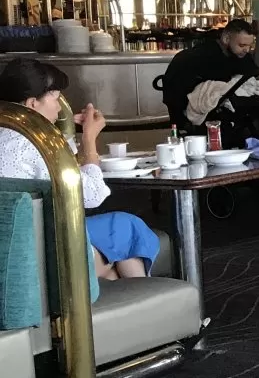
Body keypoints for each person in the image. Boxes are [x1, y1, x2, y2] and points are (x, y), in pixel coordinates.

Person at [0, 58, 158, 280]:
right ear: (33, 103)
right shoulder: (36, 144)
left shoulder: (8, 136)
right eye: (55, 98)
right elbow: (92, 196)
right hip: (38, 253)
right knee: (126, 226)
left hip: (12, 248)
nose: (59, 107)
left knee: (113, 266)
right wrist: (90, 138)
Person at [160, 19, 256, 131]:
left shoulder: (239, 55)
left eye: (250, 46)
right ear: (226, 39)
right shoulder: (204, 56)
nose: (246, 50)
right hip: (184, 109)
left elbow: (252, 73)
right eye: (242, 45)